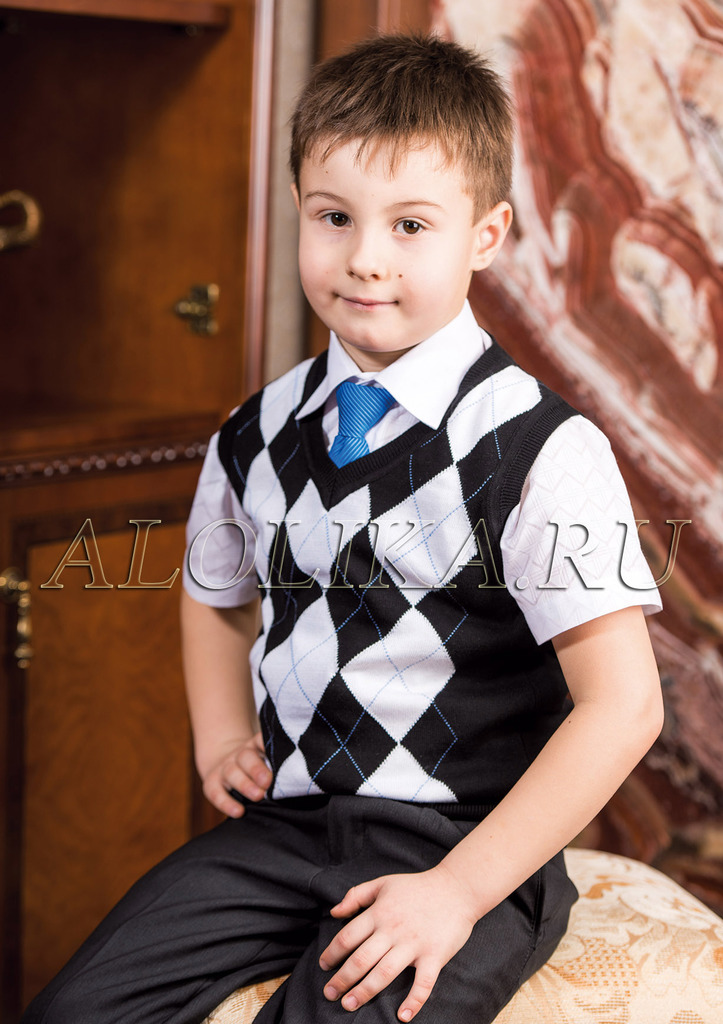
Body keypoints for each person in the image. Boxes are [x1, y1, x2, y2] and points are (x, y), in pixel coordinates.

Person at [23, 33, 664, 1024]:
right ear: (298, 210)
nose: (365, 257)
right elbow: (214, 593)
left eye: (411, 225)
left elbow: (623, 707)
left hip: (464, 841)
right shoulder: (255, 431)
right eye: (335, 217)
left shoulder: (540, 449)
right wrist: (220, 736)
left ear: (485, 234)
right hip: (289, 828)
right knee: (76, 1009)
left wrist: (457, 891)